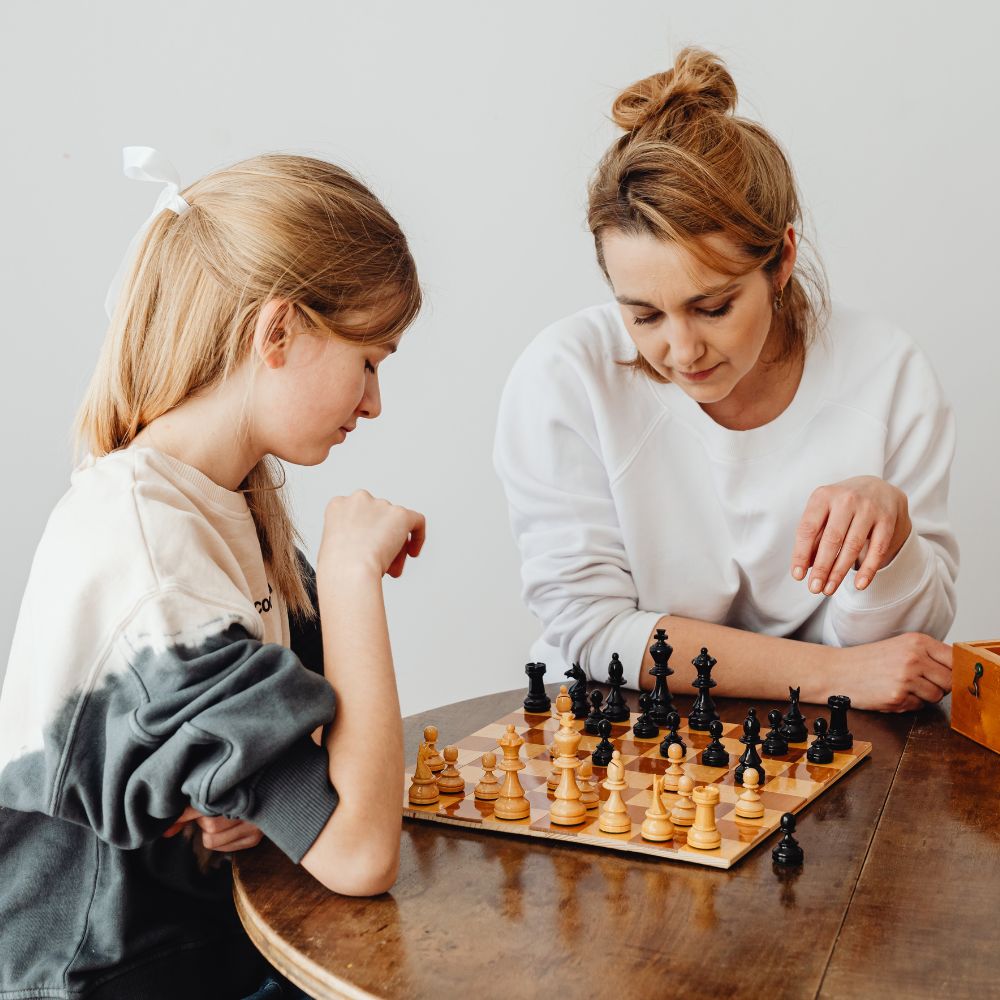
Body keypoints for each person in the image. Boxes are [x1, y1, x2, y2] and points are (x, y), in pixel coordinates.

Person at [0, 147, 425, 999]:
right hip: (108, 980)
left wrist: (241, 805)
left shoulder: (223, 502)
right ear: (277, 332)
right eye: (369, 360)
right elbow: (360, 853)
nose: (374, 402)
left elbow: (316, 768)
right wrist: (350, 576)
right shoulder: (156, 567)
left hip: (213, 948)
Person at [493, 48, 957, 714]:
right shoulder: (564, 377)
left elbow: (902, 660)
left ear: (781, 260)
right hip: (621, 728)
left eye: (713, 307)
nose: (682, 351)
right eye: (643, 314)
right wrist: (830, 673)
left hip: (834, 738)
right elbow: (590, 629)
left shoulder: (888, 372)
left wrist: (890, 539)